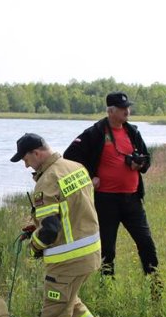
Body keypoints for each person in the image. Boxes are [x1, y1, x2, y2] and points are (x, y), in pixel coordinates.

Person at [10, 133, 118, 317]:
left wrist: (35, 246)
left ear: (37, 153)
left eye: (26, 159)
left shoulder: (46, 181)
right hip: (89, 253)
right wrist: (37, 226)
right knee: (69, 301)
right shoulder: (76, 167)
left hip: (67, 261)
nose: (26, 165)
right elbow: (71, 212)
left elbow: (50, 231)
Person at [62, 91, 159, 281]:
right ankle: (106, 287)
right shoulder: (96, 132)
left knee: (146, 243)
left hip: (132, 199)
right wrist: (89, 176)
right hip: (106, 201)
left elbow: (147, 159)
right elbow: (70, 155)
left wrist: (139, 164)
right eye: (122, 108)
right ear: (110, 111)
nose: (127, 111)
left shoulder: (132, 132)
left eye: (128, 107)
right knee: (107, 249)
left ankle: (155, 285)